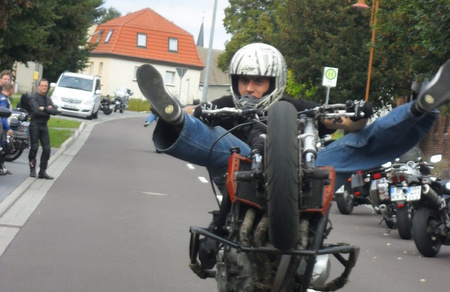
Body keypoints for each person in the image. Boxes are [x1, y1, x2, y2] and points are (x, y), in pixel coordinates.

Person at [136, 43, 449, 190]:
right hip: (243, 169)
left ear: (274, 82)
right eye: (243, 80)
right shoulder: (225, 105)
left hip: (300, 176)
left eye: (258, 81)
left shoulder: (296, 106)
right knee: (219, 141)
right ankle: (172, 117)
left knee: (352, 145)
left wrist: (358, 116)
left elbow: (340, 123)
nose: (249, 88)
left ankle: (418, 108)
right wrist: (181, 112)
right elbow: (197, 113)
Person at [28, 78, 59, 179]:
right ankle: (32, 169)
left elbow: (55, 111)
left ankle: (42, 171)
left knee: (47, 149)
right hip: (35, 124)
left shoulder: (48, 99)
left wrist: (44, 108)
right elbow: (36, 111)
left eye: (46, 86)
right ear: (39, 86)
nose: (44, 88)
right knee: (34, 147)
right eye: (43, 86)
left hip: (44, 125)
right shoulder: (34, 97)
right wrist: (48, 110)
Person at [0, 82, 14, 175]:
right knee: (4, 147)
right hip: (2, 127)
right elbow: (3, 116)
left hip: (2, 127)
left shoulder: (4, 98)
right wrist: (8, 128)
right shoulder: (3, 99)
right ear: (11, 90)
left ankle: (2, 167)